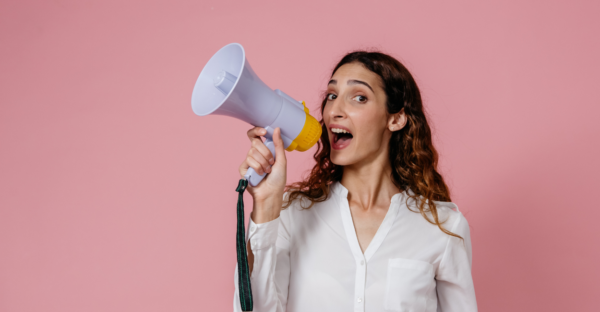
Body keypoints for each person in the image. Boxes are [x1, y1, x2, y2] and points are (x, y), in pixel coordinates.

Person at [234, 51, 477, 312]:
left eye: (359, 97)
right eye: (332, 96)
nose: (335, 111)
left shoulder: (442, 227)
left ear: (395, 119)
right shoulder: (290, 214)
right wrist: (266, 206)